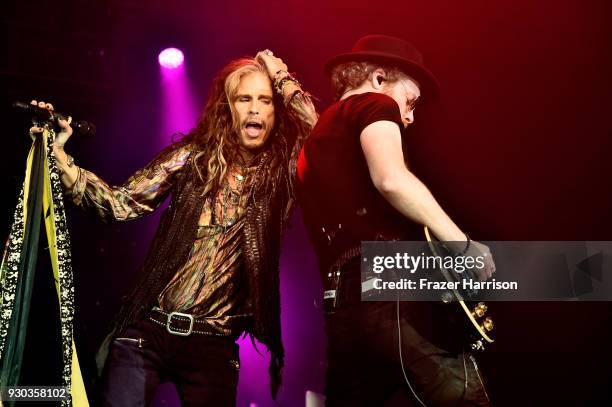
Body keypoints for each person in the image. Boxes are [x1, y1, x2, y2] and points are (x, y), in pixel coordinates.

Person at [30, 49, 317, 406]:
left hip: (213, 344)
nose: (255, 109)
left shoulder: (281, 174)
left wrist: (281, 76)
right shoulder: (193, 156)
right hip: (148, 331)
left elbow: (320, 138)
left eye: (266, 100)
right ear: (229, 108)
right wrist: (62, 160)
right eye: (245, 99)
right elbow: (120, 205)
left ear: (277, 111)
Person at [296, 35, 495, 406]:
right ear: (379, 79)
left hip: (340, 303)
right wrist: (462, 243)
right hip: (392, 285)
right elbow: (391, 179)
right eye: (410, 101)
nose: (409, 116)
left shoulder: (313, 144)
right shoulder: (374, 104)